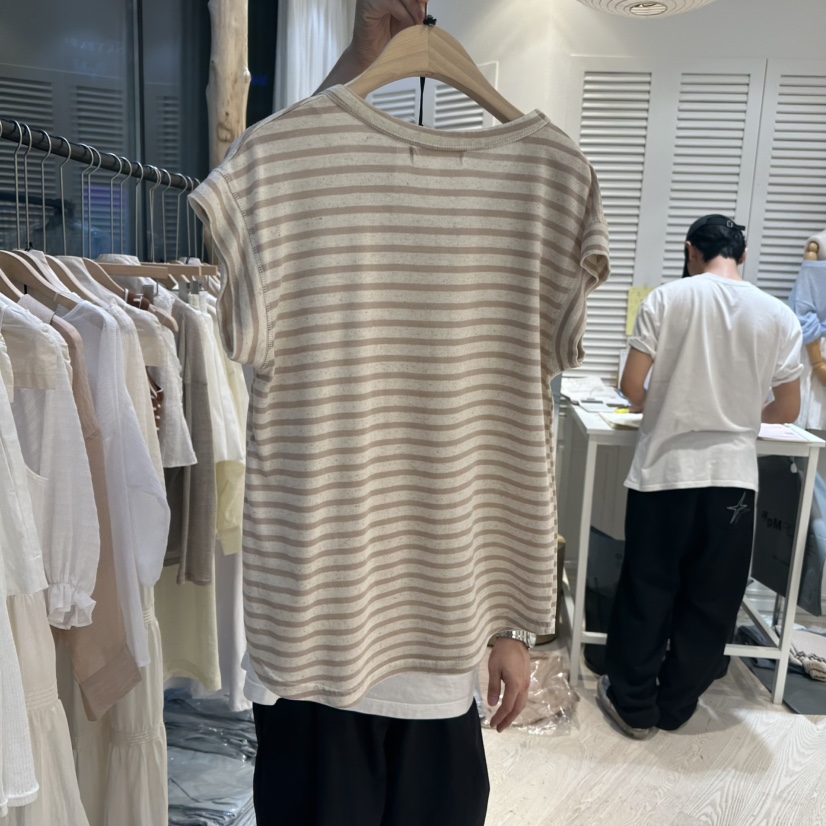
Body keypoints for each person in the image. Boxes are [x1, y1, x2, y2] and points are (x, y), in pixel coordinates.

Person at [242, 2, 538, 824]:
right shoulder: (286, 173)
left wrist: (512, 623)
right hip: (310, 648)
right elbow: (250, 171)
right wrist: (358, 57)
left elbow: (520, 433)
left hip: (442, 654)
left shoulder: (540, 184)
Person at [597, 214, 803, 739]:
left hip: (665, 473)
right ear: (743, 255)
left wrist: (670, 408)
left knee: (648, 587)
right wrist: (737, 414)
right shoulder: (778, 315)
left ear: (692, 251)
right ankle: (676, 705)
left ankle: (633, 706)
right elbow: (787, 409)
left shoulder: (667, 300)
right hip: (733, 480)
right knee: (712, 598)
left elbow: (632, 387)